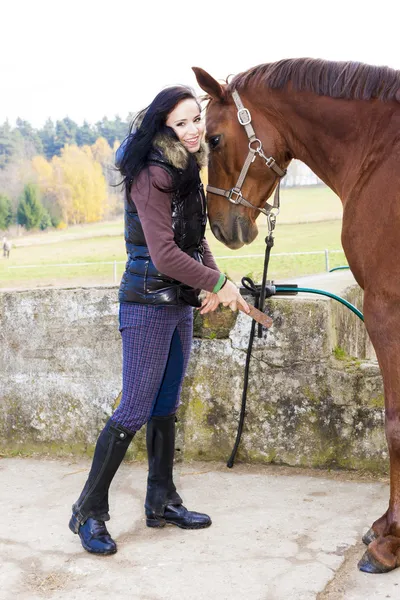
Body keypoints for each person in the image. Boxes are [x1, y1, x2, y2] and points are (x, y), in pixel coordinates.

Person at [69, 85, 249, 555]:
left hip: (177, 305)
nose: (192, 131)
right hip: (147, 303)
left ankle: (161, 501)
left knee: (166, 406)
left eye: (195, 120)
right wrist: (215, 284)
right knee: (133, 410)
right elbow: (165, 255)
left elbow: (193, 241)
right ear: (163, 128)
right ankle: (87, 512)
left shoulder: (187, 167)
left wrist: (213, 280)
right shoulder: (151, 173)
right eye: (181, 123)